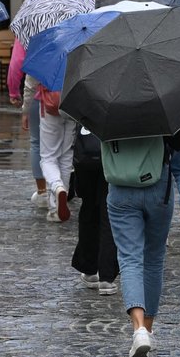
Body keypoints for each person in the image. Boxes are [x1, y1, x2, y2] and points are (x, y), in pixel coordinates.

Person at [107, 130, 180, 357]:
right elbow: (179, 141)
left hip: (120, 184)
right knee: (153, 258)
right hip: (156, 183)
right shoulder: (161, 96)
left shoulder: (108, 98)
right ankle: (148, 329)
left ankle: (138, 328)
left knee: (130, 258)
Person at [10, 0, 58, 210]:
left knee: (38, 144)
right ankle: (61, 187)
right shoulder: (67, 21)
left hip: (39, 97)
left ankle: (42, 191)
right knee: (64, 146)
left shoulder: (30, 25)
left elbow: (20, 64)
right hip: (64, 94)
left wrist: (20, 101)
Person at [71, 126, 118, 294]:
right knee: (108, 212)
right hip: (112, 151)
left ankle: (90, 268)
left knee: (89, 207)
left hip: (87, 152)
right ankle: (106, 275)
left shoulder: (85, 99)